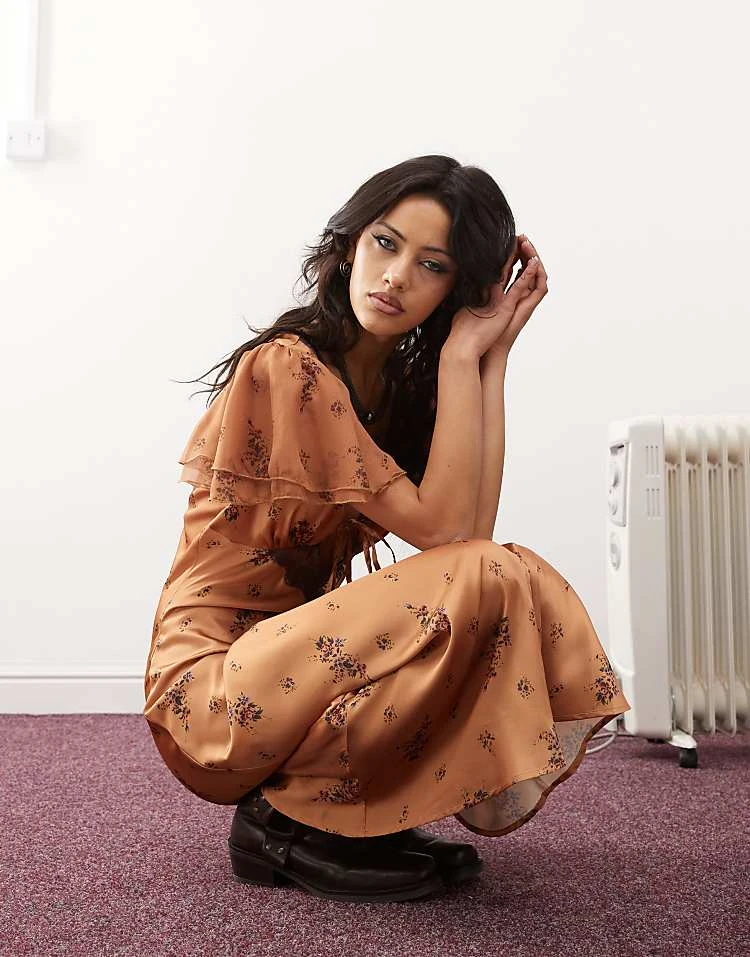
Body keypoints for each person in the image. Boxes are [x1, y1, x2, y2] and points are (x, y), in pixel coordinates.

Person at [143, 154, 631, 904]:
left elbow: (470, 532)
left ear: (453, 290)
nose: (397, 276)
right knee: (488, 573)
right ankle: (280, 825)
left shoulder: (391, 386)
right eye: (385, 243)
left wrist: (488, 357)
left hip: (296, 668)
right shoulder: (291, 368)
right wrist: (465, 355)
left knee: (500, 578)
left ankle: (336, 814)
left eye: (431, 265)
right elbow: (451, 538)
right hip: (211, 690)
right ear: (349, 245)